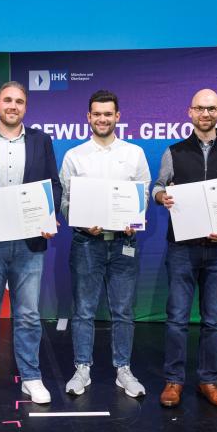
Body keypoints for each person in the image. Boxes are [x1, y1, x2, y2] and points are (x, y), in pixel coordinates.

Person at [0, 81, 62, 404]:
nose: (13, 106)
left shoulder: (40, 140)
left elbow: (53, 185)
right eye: (7, 100)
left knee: (29, 314)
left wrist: (48, 215)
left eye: (19, 101)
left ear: (25, 107)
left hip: (29, 242)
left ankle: (31, 376)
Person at [153, 88, 217, 409]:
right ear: (190, 112)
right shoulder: (174, 151)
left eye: (211, 109)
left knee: (214, 320)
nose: (205, 114)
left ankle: (209, 381)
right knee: (177, 318)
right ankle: (174, 381)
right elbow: (157, 186)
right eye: (199, 108)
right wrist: (160, 197)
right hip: (182, 248)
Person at [58, 90, 150, 398]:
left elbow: (144, 196)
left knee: (123, 311)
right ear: (88, 117)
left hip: (124, 242)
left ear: (117, 117)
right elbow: (65, 202)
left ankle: (123, 370)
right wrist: (82, 221)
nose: (102, 119)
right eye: (96, 114)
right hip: (87, 243)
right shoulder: (74, 156)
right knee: (84, 310)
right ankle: (82, 368)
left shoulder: (134, 154)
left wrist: (133, 220)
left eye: (108, 114)